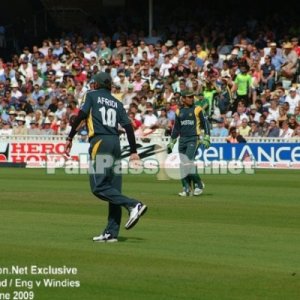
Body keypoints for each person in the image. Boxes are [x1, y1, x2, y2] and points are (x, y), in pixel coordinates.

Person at [65, 72, 147, 243]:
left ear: (96, 85)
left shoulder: (91, 95)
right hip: (116, 144)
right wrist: (133, 151)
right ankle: (111, 232)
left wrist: (70, 137)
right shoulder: (117, 102)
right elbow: (128, 127)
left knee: (98, 187)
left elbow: (81, 115)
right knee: (113, 189)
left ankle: (133, 204)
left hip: (100, 142)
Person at [167, 90, 210, 197]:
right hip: (182, 140)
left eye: (192, 97)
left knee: (188, 162)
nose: (192, 98)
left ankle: (199, 184)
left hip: (193, 139)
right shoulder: (178, 111)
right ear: (183, 99)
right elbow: (176, 128)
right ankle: (186, 189)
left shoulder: (198, 109)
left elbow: (206, 123)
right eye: (189, 97)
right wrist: (171, 142)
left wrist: (207, 137)